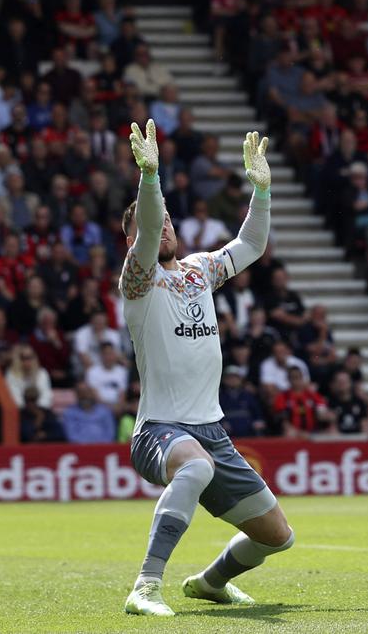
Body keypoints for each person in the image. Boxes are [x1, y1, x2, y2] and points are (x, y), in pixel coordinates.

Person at [119, 120, 294, 617]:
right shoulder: (138, 282)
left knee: (277, 536)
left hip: (210, 430)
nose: (165, 227)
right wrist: (150, 180)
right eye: (154, 225)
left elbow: (251, 246)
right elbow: (148, 228)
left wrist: (261, 191)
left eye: (170, 221)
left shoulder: (198, 271)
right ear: (131, 240)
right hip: (159, 429)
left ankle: (210, 583)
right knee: (194, 465)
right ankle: (146, 587)